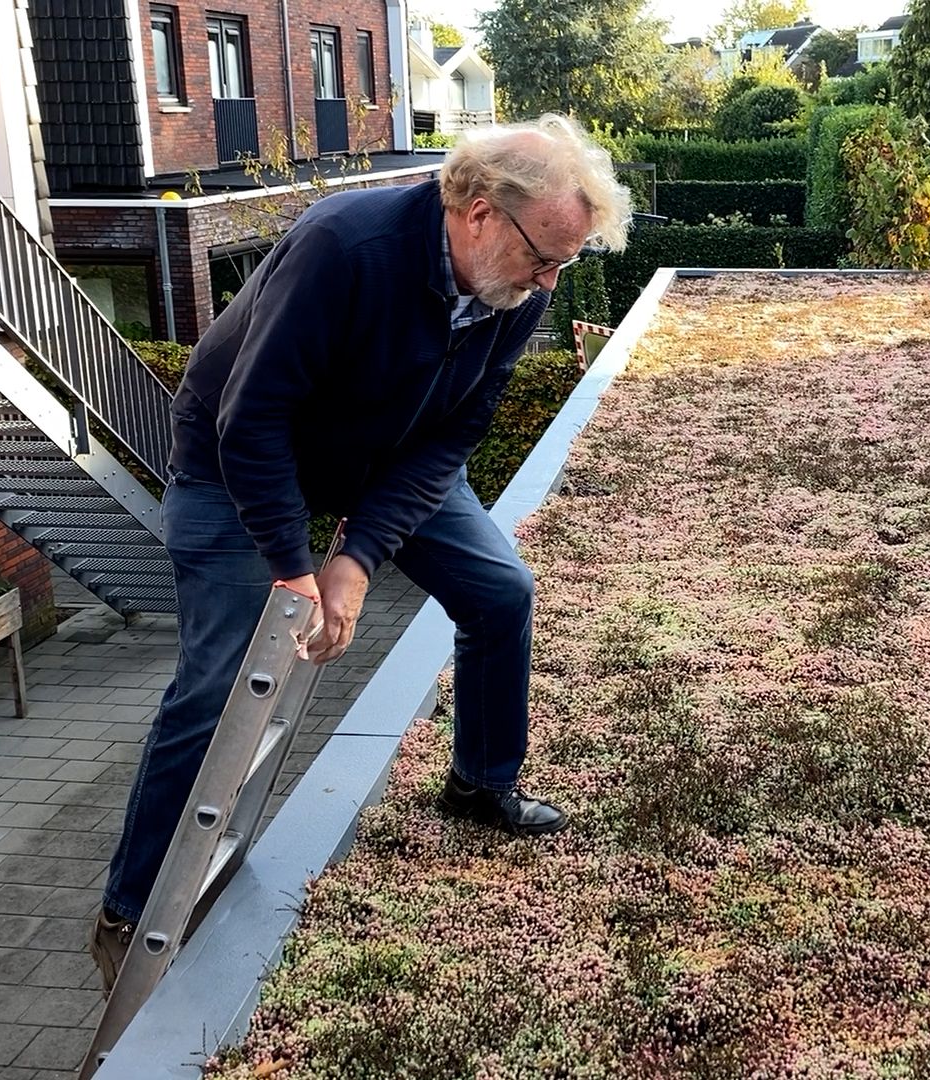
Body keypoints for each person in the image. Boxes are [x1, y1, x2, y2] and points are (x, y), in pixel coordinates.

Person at [88, 115, 631, 990]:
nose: (550, 281)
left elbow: (449, 439)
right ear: (481, 211)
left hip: (382, 450)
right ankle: (131, 909)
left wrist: (360, 552)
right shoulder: (344, 246)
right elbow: (251, 420)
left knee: (500, 593)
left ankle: (480, 785)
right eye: (545, 256)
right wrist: (296, 567)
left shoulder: (514, 288)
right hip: (236, 464)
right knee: (218, 683)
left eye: (565, 262)